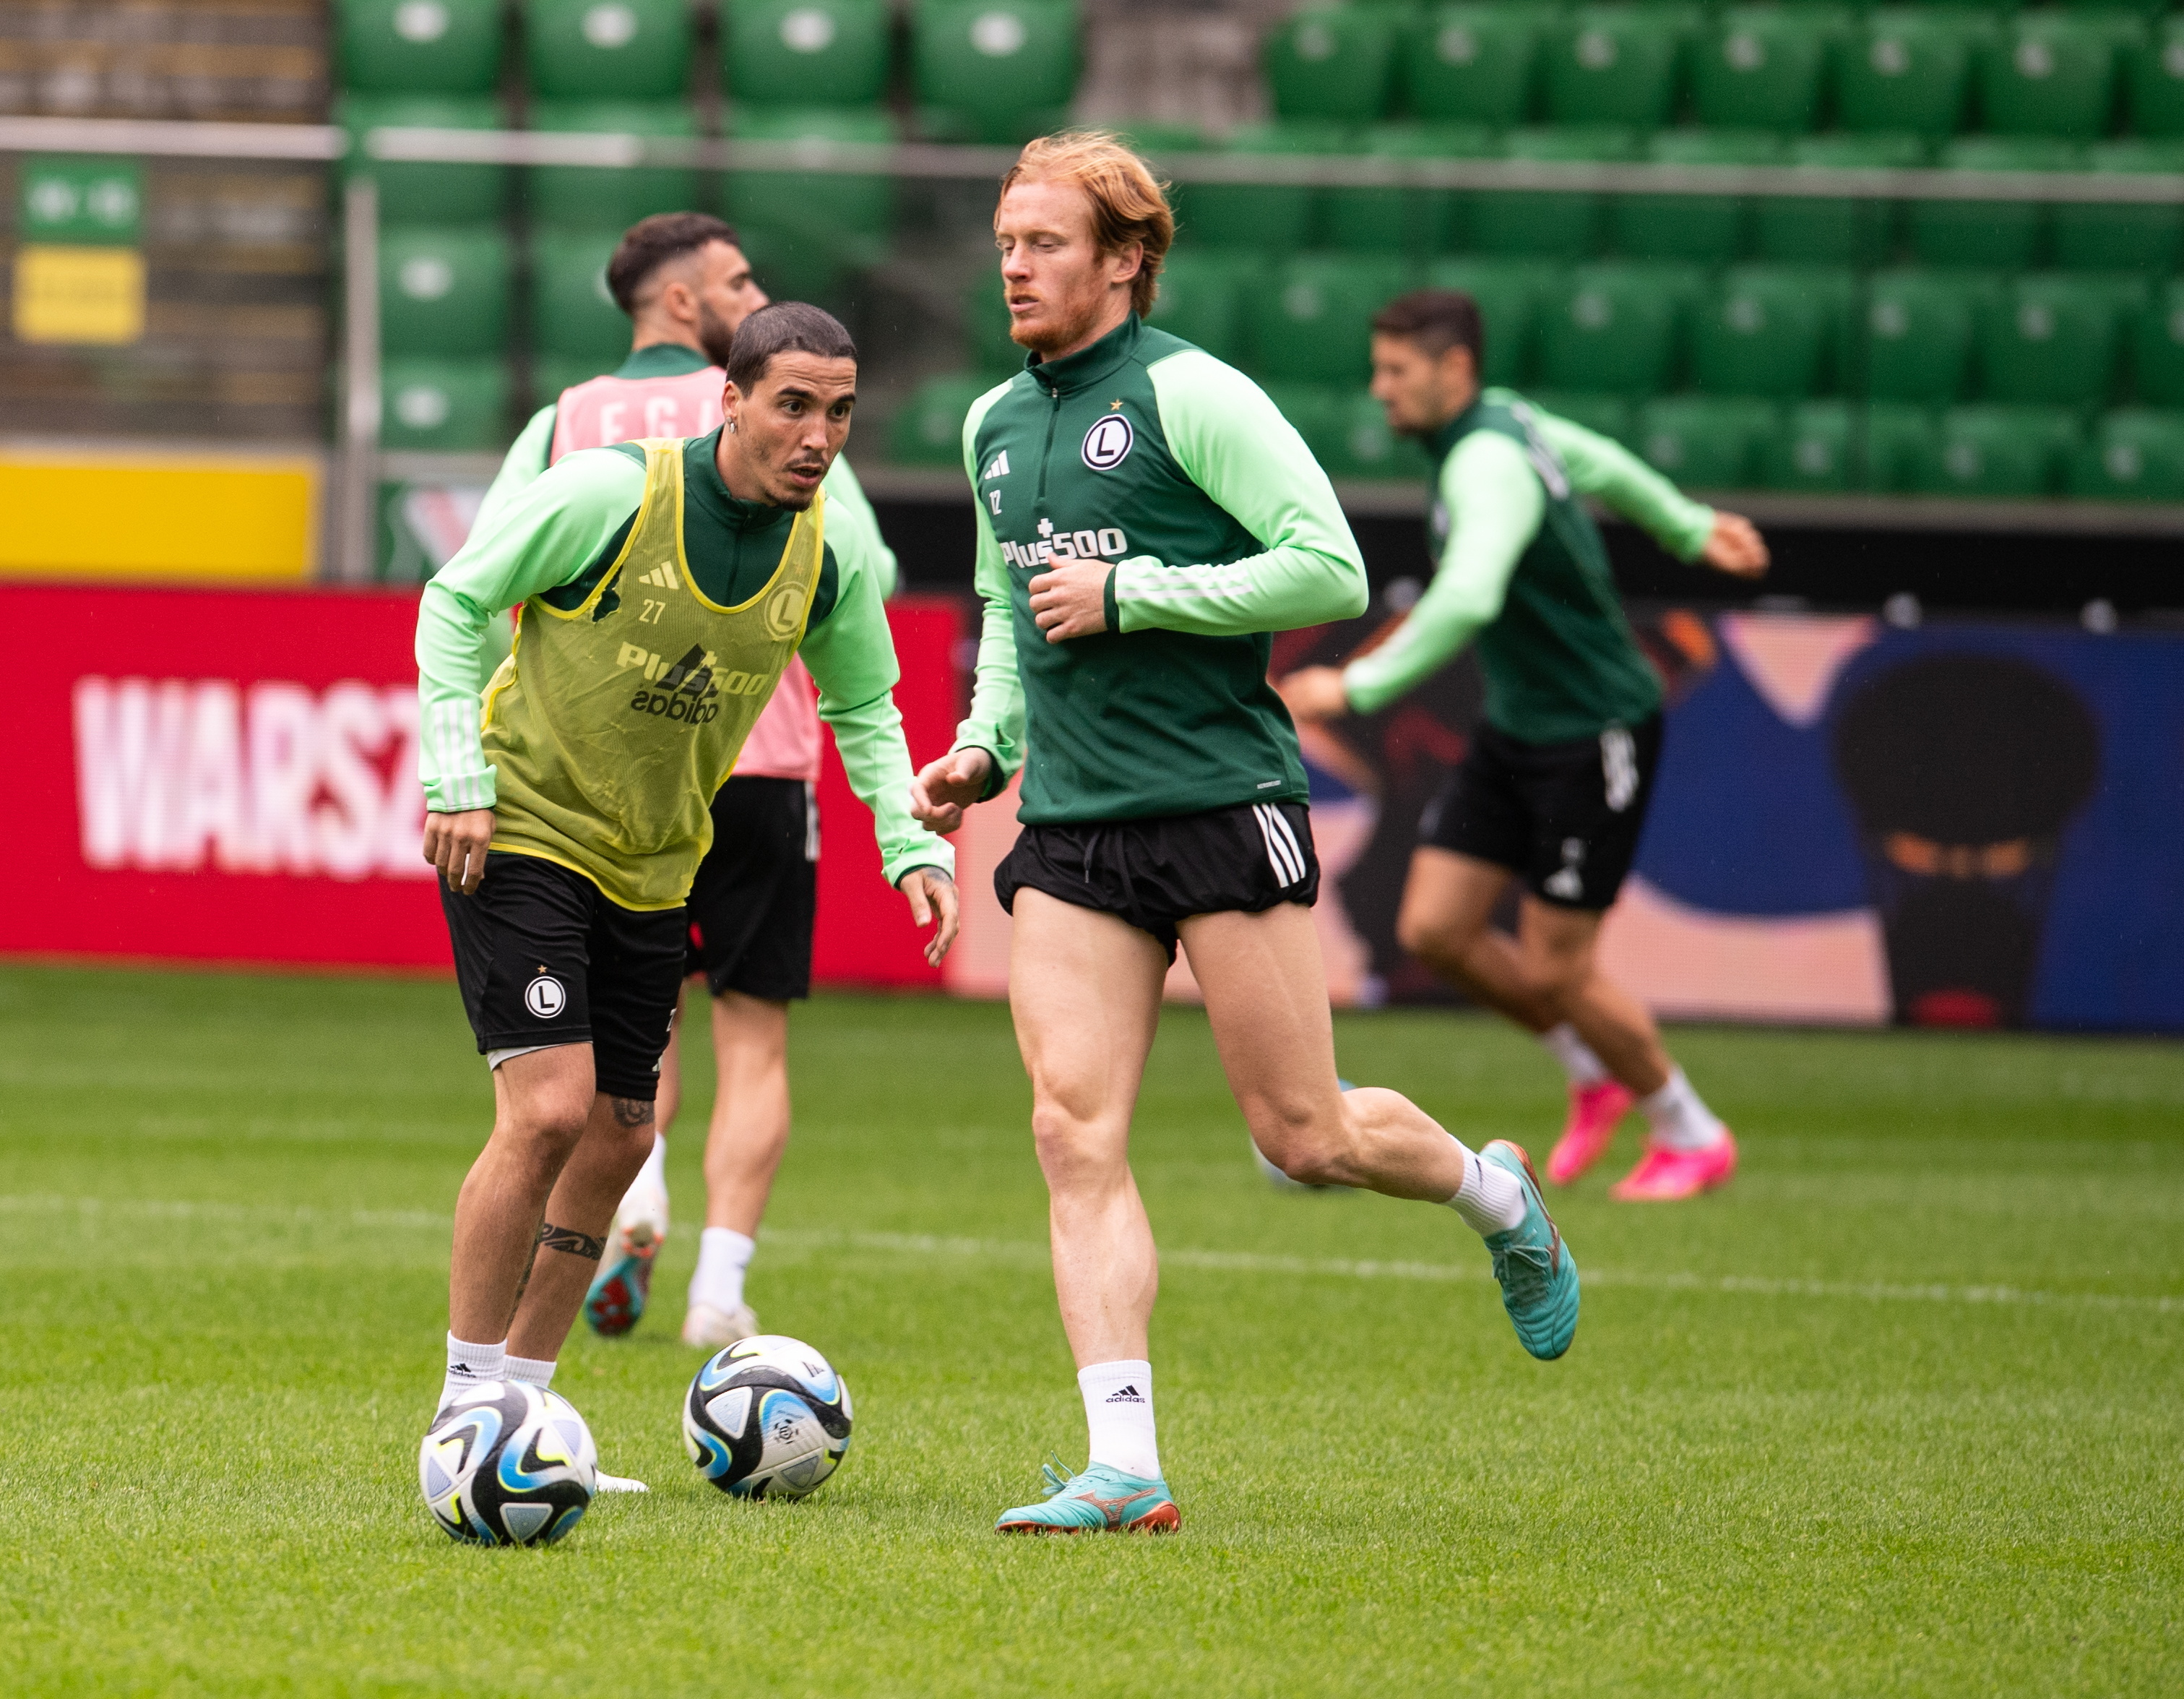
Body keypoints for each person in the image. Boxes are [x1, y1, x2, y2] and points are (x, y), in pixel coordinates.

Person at [907, 134, 1581, 1539]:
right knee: (1065, 1124)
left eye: (1041, 242)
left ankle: (1493, 1192)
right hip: (1072, 826)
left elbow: (1324, 562)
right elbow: (1003, 614)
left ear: (1123, 258)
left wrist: (1136, 589)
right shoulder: (988, 425)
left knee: (1304, 1134)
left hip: (1216, 806)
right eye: (1002, 241)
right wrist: (984, 746)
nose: (1012, 265)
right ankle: (1122, 1460)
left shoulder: (1190, 394)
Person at [417, 302, 959, 1492]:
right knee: (550, 1109)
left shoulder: (825, 559)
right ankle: (464, 1412)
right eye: (793, 405)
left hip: (658, 865)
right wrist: (454, 776)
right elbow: (455, 599)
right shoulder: (613, 495)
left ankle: (527, 1408)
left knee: (622, 1129)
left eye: (840, 413)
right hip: (526, 830)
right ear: (730, 399)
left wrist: (910, 846)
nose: (819, 435)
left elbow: (864, 707)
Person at [473, 213, 903, 1351]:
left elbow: (482, 560)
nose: (816, 431)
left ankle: (639, 1197)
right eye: (738, 280)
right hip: (760, 766)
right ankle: (718, 1285)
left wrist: (459, 747)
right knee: (748, 1039)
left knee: (628, 1065)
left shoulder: (567, 419)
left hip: (630, 785)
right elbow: (868, 568)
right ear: (684, 307)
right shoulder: (773, 422)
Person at [1274, 288, 1771, 1202]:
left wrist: (1355, 687)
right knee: (1434, 928)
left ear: (1452, 368)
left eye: (1395, 371)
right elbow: (1605, 463)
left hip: (1595, 729)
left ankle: (1690, 1130)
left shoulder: (1485, 464)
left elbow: (1466, 595)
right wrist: (1687, 525)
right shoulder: (1511, 427)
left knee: (1556, 964)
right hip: (1518, 724)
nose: (1378, 390)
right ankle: (1589, 1070)